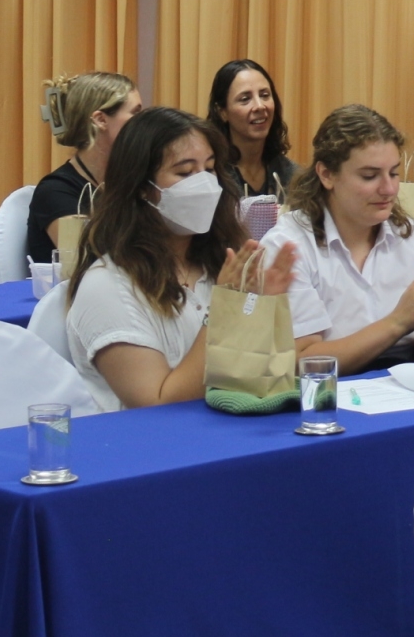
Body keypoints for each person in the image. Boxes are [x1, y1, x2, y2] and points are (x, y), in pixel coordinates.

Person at [65, 107, 294, 411]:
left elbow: (261, 379)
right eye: (185, 173)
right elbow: (157, 405)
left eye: (209, 169)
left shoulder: (222, 261)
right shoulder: (107, 287)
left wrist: (266, 310)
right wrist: (225, 313)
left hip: (233, 428)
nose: (204, 185)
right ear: (143, 188)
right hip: (157, 438)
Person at [260, 105, 414, 374]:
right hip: (332, 392)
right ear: (326, 175)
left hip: (406, 387)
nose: (388, 189)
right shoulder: (288, 245)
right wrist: (398, 322)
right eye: (369, 176)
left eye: (393, 173)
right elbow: (302, 363)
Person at [28, 72, 142, 268]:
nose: (144, 123)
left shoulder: (134, 179)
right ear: (101, 120)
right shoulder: (55, 191)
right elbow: (90, 263)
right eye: (135, 114)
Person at [206, 59, 298, 199]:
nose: (260, 106)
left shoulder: (292, 176)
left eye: (264, 95)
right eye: (245, 99)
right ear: (222, 112)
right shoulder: (210, 176)